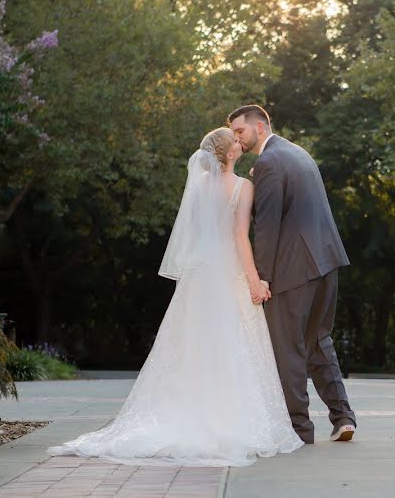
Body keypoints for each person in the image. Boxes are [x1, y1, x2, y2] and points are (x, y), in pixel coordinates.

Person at [47, 127, 302, 466]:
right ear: (228, 155)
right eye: (236, 141)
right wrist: (254, 280)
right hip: (226, 272)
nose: (241, 143)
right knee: (229, 343)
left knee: (192, 345)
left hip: (198, 276)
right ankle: (227, 420)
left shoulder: (197, 187)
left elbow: (195, 233)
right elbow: (241, 237)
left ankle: (189, 413)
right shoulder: (243, 187)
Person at [228, 105, 356, 444]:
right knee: (318, 342)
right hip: (326, 262)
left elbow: (267, 227)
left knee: (288, 349)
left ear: (259, 125)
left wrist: (262, 277)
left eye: (240, 131)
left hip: (292, 269)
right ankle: (343, 417)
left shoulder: (268, 162)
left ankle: (299, 429)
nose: (236, 138)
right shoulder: (299, 153)